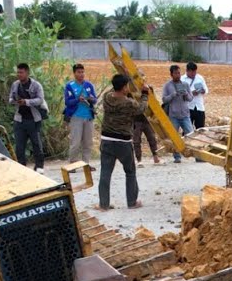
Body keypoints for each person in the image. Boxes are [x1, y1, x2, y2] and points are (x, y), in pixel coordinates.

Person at [98, 73, 150, 210]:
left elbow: (113, 90)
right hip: (123, 142)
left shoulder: (107, 97)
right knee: (130, 171)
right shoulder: (128, 103)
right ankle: (132, 202)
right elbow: (142, 109)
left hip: (106, 140)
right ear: (124, 87)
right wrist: (145, 94)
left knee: (105, 172)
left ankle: (103, 204)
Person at [8, 62, 47, 171]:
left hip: (34, 120)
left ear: (27, 73)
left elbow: (40, 100)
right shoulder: (15, 85)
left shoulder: (36, 85)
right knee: (19, 147)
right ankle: (22, 168)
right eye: (18, 72)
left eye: (21, 72)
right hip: (19, 120)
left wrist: (26, 102)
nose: (19, 75)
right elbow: (10, 98)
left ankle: (39, 167)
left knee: (36, 145)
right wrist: (15, 101)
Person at [63, 63, 98, 165]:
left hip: (88, 117)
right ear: (74, 73)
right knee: (75, 142)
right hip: (76, 116)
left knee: (88, 142)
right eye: (79, 72)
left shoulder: (89, 85)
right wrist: (78, 99)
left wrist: (90, 99)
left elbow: (95, 99)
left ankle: (86, 163)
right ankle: (73, 163)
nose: (81, 74)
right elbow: (67, 102)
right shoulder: (70, 86)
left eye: (82, 72)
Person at [162, 64, 194, 163]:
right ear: (171, 74)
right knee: (174, 137)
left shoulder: (185, 85)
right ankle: (177, 157)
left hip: (185, 115)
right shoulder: (167, 86)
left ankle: (197, 156)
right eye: (176, 73)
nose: (178, 75)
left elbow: (190, 98)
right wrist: (173, 95)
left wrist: (186, 94)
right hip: (174, 116)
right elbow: (164, 99)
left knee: (191, 135)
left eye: (179, 73)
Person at [185, 61, 209, 130]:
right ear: (187, 71)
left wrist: (203, 91)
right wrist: (191, 93)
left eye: (195, 72)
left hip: (199, 107)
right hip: (188, 107)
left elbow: (206, 90)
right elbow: (180, 94)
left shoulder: (200, 78)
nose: (193, 74)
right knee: (187, 130)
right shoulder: (182, 79)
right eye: (192, 72)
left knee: (201, 129)